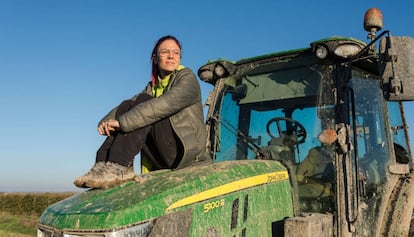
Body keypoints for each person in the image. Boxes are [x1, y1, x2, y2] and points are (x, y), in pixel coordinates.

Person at [74, 35, 211, 189]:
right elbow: (130, 104)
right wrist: (106, 121)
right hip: (162, 154)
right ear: (155, 57)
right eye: (165, 52)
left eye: (176, 52)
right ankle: (102, 165)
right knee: (130, 104)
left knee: (143, 104)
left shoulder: (187, 79)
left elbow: (163, 105)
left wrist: (122, 122)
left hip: (186, 156)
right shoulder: (152, 87)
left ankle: (119, 165)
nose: (171, 56)